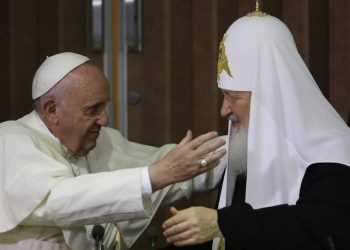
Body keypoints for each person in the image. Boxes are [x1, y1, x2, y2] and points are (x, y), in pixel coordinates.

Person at [162, 6, 350, 250]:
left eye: (232, 96)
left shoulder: (335, 154)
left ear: (268, 95)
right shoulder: (248, 148)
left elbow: (322, 229)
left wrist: (223, 223)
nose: (224, 110)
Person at [0, 52, 228, 250]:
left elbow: (168, 167)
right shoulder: (11, 139)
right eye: (93, 110)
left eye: (105, 106)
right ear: (52, 110)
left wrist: (242, 146)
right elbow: (58, 199)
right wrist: (155, 176)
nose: (105, 119)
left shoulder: (102, 141)